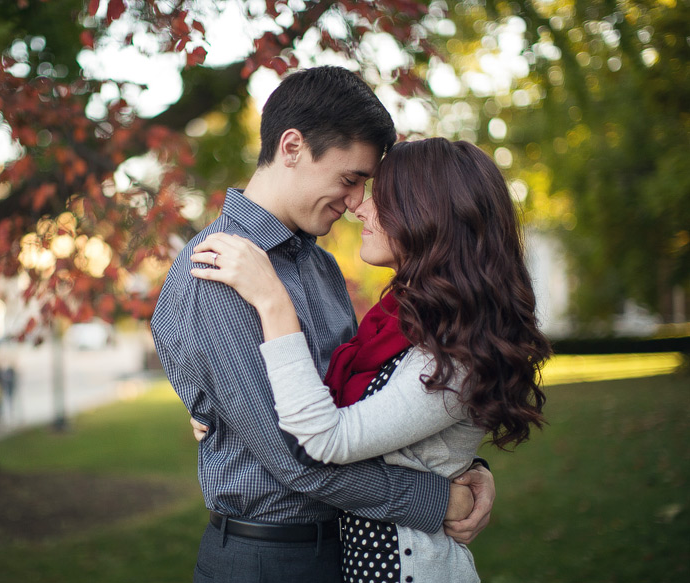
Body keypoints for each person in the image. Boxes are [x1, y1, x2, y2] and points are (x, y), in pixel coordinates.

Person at [151, 66, 495, 583]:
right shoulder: (217, 271)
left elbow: (368, 412)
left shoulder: (319, 266)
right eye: (350, 179)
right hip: (269, 560)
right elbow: (296, 460)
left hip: (347, 549)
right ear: (292, 147)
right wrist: (436, 498)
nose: (358, 201)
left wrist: (466, 467)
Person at [189, 137, 551, 582]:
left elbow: (326, 437)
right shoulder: (404, 322)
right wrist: (231, 411)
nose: (360, 206)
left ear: (428, 215)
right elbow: (380, 419)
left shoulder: (454, 356)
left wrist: (274, 303)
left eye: (381, 197)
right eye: (355, 183)